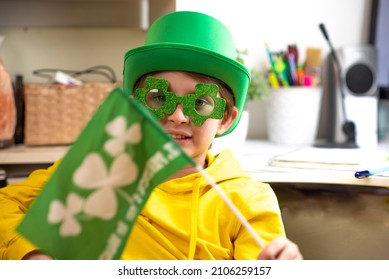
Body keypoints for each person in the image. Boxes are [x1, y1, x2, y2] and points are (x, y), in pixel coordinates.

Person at [0, 11, 302, 260]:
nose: (177, 116)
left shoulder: (248, 200)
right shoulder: (94, 173)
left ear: (225, 119)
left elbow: (265, 263)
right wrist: (31, 253)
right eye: (159, 98)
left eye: (199, 102)